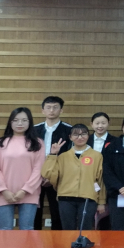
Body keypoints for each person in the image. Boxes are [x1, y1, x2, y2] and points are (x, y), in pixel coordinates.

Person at [41, 124, 106, 231]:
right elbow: (47, 174)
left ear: (88, 136)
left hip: (88, 199)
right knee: (67, 231)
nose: (80, 137)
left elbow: (101, 180)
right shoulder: (63, 156)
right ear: (70, 137)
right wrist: (52, 155)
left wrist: (101, 202)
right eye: (76, 134)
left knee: (85, 231)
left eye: (83, 134)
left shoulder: (97, 156)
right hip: (65, 198)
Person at [0, 107, 45, 230]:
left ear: (30, 122)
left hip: (29, 194)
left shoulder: (38, 143)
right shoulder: (0, 144)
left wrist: (25, 190)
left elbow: (38, 170)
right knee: (4, 229)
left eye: (24, 120)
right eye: (16, 120)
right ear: (10, 122)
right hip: (3, 194)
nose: (20, 123)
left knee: (27, 230)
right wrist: (3, 190)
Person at [33, 96, 72, 230]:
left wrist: (53, 176)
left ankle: (57, 241)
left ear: (61, 110)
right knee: (35, 212)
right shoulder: (34, 130)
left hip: (59, 178)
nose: (51, 110)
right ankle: (34, 240)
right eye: (48, 107)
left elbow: (70, 157)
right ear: (42, 110)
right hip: (36, 177)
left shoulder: (69, 130)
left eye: (55, 107)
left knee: (57, 213)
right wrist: (38, 175)